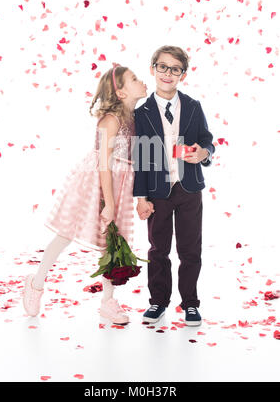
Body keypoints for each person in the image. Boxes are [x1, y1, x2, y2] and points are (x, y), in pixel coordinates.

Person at [22, 65, 147, 325]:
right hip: (98, 182)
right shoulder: (110, 120)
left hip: (121, 181)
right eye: (134, 79)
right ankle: (36, 282)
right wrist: (108, 202)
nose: (141, 80)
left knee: (112, 242)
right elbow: (104, 163)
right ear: (121, 92)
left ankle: (107, 302)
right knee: (67, 232)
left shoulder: (136, 118)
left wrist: (137, 196)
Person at [133, 45, 215, 326]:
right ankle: (158, 302)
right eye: (163, 67)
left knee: (191, 248)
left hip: (189, 187)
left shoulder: (193, 107)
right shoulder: (141, 113)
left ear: (183, 74)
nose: (168, 73)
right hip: (157, 191)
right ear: (153, 68)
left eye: (175, 69)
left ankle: (191, 303)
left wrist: (204, 153)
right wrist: (141, 197)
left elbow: (207, 141)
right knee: (158, 249)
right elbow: (141, 159)